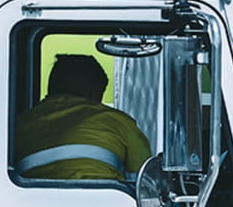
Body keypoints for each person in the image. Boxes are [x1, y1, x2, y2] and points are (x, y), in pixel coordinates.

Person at [14, 53, 152, 182]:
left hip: (34, 203)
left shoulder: (18, 124)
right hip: (104, 202)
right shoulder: (117, 121)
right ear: (94, 93)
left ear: (51, 87)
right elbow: (145, 176)